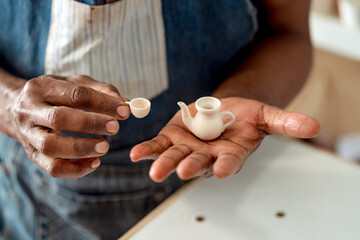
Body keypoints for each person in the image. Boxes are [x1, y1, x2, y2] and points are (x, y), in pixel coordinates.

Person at [0, 0, 320, 239]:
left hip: (225, 179)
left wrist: (241, 94)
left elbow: (287, 31)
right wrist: (10, 101)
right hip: (43, 190)